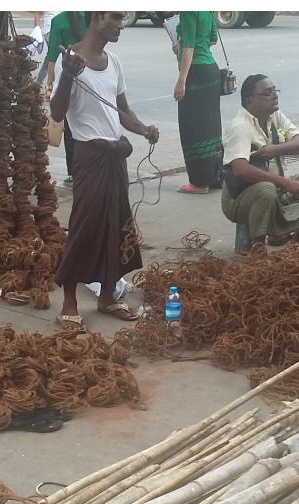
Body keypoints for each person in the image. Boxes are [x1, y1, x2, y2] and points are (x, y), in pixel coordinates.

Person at [50, 11, 159, 333]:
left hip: (116, 155)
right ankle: (68, 304)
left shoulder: (114, 62)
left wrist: (143, 129)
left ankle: (108, 295)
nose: (121, 25)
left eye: (123, 19)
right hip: (90, 155)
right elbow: (56, 113)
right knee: (85, 226)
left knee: (116, 224)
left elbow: (121, 110)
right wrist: (68, 76)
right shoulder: (69, 62)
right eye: (116, 18)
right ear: (97, 16)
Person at [221, 74, 299, 257]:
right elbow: (240, 169)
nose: (274, 96)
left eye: (274, 91)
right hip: (241, 198)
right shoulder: (239, 127)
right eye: (267, 93)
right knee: (266, 190)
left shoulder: (274, 115)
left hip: (276, 189)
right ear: (250, 101)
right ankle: (258, 249)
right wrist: (285, 183)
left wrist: (274, 150)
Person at [173, 11, 222, 194]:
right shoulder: (207, 10)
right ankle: (215, 176)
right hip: (210, 69)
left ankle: (199, 182)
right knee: (210, 127)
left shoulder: (188, 12)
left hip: (196, 73)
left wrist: (181, 80)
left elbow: (190, 48)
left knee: (192, 128)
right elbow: (212, 40)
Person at [43, 11, 87, 187]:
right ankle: (86, 170)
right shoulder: (88, 16)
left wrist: (49, 85)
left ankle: (74, 174)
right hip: (90, 72)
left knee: (70, 128)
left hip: (68, 75)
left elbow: (52, 56)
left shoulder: (58, 21)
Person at [33, 11, 59, 85]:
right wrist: (37, 29)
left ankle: (38, 84)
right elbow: (37, 12)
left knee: (50, 58)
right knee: (54, 58)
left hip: (62, 29)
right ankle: (51, 86)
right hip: (50, 30)